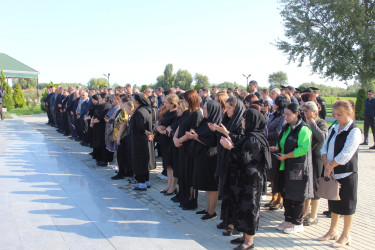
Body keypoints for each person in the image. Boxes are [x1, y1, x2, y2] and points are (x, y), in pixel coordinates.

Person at [220, 108, 272, 250]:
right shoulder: (249, 135)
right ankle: (244, 235)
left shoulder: (255, 138)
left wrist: (230, 148)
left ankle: (249, 241)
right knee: (241, 207)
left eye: (245, 119)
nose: (243, 121)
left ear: (252, 121)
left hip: (251, 181)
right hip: (243, 180)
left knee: (249, 209)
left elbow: (245, 157)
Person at [318, 100, 361, 247]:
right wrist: (325, 162)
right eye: (334, 114)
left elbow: (346, 154)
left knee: (347, 205)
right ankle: (332, 231)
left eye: (339, 115)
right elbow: (324, 146)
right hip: (332, 172)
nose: (336, 117)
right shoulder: (334, 127)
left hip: (347, 173)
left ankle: (346, 235)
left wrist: (331, 165)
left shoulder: (354, 131)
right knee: (333, 203)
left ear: (349, 114)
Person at [271, 102, 313, 234]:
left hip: (297, 167)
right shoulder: (286, 128)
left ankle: (297, 222)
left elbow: (303, 149)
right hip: (284, 165)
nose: (286, 117)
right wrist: (276, 148)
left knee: (296, 195)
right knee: (286, 193)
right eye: (285, 114)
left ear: (296, 114)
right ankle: (288, 218)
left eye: (288, 115)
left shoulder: (304, 129)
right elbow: (282, 142)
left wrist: (287, 156)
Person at [208, 97, 246, 235]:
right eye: (227, 108)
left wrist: (225, 132)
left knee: (234, 194)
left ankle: (234, 224)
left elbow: (241, 140)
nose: (228, 111)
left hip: (235, 162)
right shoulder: (227, 119)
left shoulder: (241, 121)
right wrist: (216, 129)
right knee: (225, 191)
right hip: (225, 160)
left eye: (230, 108)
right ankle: (226, 219)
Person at [187, 100, 222, 221]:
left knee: (212, 185)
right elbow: (200, 134)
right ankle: (207, 208)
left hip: (211, 158)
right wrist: (194, 134)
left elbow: (212, 142)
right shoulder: (206, 121)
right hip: (202, 156)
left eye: (206, 109)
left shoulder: (217, 124)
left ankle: (212, 212)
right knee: (207, 185)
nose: (204, 110)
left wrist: (196, 138)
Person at [173, 90, 203, 209]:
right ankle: (183, 197)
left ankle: (190, 201)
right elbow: (180, 126)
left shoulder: (197, 114)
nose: (184, 102)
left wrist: (179, 140)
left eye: (185, 100)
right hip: (181, 147)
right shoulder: (187, 113)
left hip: (189, 148)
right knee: (182, 174)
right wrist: (175, 138)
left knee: (189, 175)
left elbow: (192, 131)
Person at [301, 101, 328, 226]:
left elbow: (323, 137)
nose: (304, 113)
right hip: (305, 157)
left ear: (314, 112)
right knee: (306, 185)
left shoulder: (321, 122)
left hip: (316, 158)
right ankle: (305, 212)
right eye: (304, 111)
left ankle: (314, 215)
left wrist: (312, 124)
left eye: (307, 111)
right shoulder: (303, 121)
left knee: (315, 186)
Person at [264, 95, 289, 210]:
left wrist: (266, 135)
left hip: (276, 146)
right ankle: (273, 198)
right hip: (269, 146)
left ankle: (279, 199)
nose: (272, 104)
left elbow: (279, 132)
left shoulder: (283, 117)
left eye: (274, 103)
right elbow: (267, 127)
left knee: (276, 174)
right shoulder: (273, 115)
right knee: (271, 175)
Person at [129, 94, 156, 191]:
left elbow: (140, 127)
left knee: (139, 162)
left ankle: (142, 183)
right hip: (146, 140)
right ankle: (147, 181)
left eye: (133, 101)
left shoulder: (139, 112)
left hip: (139, 141)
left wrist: (145, 132)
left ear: (137, 102)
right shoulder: (148, 110)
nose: (132, 102)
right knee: (145, 162)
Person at [156, 94, 179, 194]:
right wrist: (160, 128)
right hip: (164, 141)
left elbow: (169, 128)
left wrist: (161, 129)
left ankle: (173, 187)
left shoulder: (176, 114)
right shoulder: (168, 112)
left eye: (167, 103)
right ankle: (169, 185)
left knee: (172, 165)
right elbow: (162, 125)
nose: (165, 104)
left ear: (172, 104)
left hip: (170, 142)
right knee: (168, 165)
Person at [111, 97, 132, 180]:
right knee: (122, 155)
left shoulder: (124, 111)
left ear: (124, 103)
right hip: (121, 136)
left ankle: (121, 173)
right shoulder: (123, 111)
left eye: (120, 101)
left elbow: (123, 124)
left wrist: (119, 137)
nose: (119, 103)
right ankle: (124, 172)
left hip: (123, 137)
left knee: (121, 156)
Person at [91, 93, 113, 166]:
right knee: (98, 143)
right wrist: (93, 120)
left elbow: (101, 117)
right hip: (97, 127)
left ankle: (104, 160)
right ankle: (99, 158)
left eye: (100, 98)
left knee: (103, 144)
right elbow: (94, 113)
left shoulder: (107, 106)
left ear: (104, 99)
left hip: (102, 127)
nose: (99, 99)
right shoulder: (99, 105)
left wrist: (93, 121)